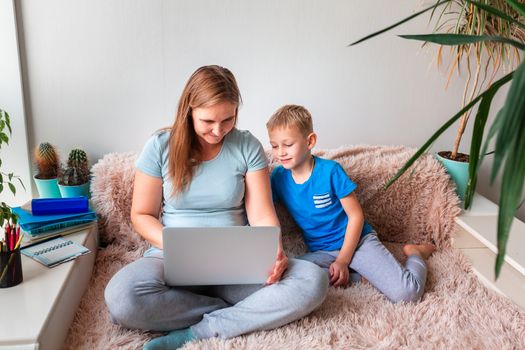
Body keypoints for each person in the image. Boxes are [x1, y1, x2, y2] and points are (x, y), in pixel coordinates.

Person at [104, 67, 328, 350]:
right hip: (171, 255)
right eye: (208, 121)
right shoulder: (160, 146)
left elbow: (260, 213)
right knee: (122, 299)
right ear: (189, 110)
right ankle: (237, 312)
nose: (218, 130)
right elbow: (142, 215)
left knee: (312, 281)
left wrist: (274, 246)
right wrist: (179, 245)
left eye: (228, 119)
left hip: (236, 260)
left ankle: (201, 330)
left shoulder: (246, 145)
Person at [266, 104, 435, 303]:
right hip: (321, 252)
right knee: (283, 278)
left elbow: (356, 216)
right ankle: (361, 276)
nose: (280, 153)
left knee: (407, 294)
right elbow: (261, 206)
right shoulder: (278, 177)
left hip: (357, 243)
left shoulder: (330, 171)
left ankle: (415, 253)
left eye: (288, 144)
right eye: (275, 146)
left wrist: (343, 260)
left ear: (310, 141)